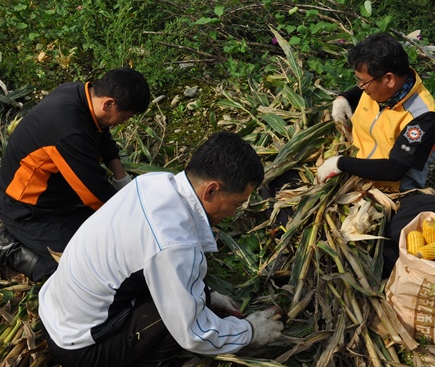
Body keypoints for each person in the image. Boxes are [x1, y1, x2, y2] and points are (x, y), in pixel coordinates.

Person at [38, 131, 285, 367]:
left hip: (55, 312)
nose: (233, 213)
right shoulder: (175, 244)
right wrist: (250, 332)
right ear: (211, 190)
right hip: (82, 348)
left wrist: (208, 295)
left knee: (186, 294)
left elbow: (151, 256)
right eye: (236, 204)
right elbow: (193, 332)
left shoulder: (152, 183)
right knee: (172, 321)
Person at [0, 67, 151, 282]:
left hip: (59, 202)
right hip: (26, 210)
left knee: (110, 244)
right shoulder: (69, 130)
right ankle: (10, 249)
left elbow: (102, 136)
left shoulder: (79, 94)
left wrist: (122, 180)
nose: (123, 123)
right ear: (109, 104)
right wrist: (135, 220)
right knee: (88, 271)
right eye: (125, 117)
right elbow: (94, 194)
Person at [317, 32, 435, 278]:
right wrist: (343, 98)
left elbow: (394, 169)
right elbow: (361, 90)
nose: (361, 89)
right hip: (356, 173)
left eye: (363, 82)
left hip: (392, 191)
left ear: (388, 79)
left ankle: (371, 269)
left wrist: (341, 163)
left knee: (429, 208)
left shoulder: (422, 117)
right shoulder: (379, 90)